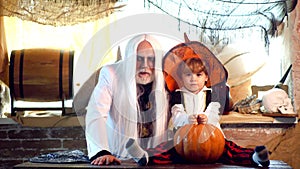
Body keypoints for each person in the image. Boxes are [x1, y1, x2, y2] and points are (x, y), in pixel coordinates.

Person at [126, 43, 270, 167]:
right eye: (188, 75)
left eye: (198, 75)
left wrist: (206, 118)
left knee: (230, 150)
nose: (193, 79)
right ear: (181, 77)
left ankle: (255, 157)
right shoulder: (178, 95)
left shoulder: (212, 95)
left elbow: (215, 111)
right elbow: (176, 114)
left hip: (211, 138)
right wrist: (187, 119)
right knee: (166, 150)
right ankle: (145, 156)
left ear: (206, 77)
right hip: (184, 140)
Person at [85, 34, 169, 165]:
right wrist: (102, 152)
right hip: (120, 157)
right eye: (139, 59)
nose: (145, 65)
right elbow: (96, 113)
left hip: (156, 159)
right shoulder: (111, 74)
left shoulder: (165, 78)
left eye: (151, 59)